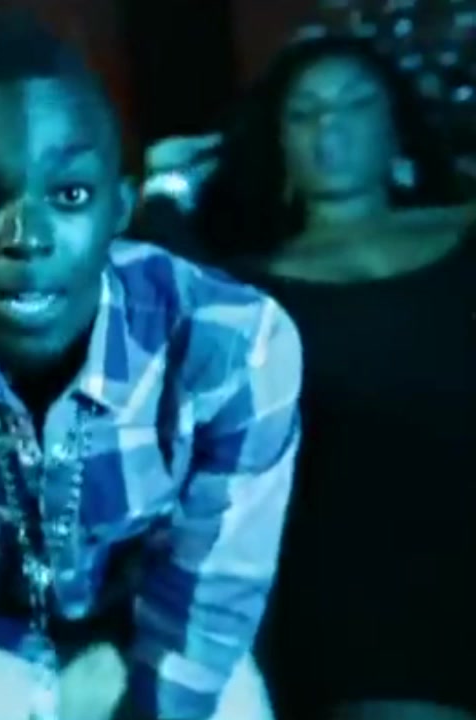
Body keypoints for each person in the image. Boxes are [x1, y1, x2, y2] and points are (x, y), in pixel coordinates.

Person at [0, 17, 302, 720]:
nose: (25, 237)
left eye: (70, 194)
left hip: (156, 633)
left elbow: (205, 618)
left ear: (120, 208)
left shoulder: (233, 343)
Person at [143, 35, 476, 720]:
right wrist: (167, 188)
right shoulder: (246, 291)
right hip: (356, 604)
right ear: (280, 144)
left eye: (355, 103)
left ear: (397, 126)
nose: (330, 125)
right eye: (304, 112)